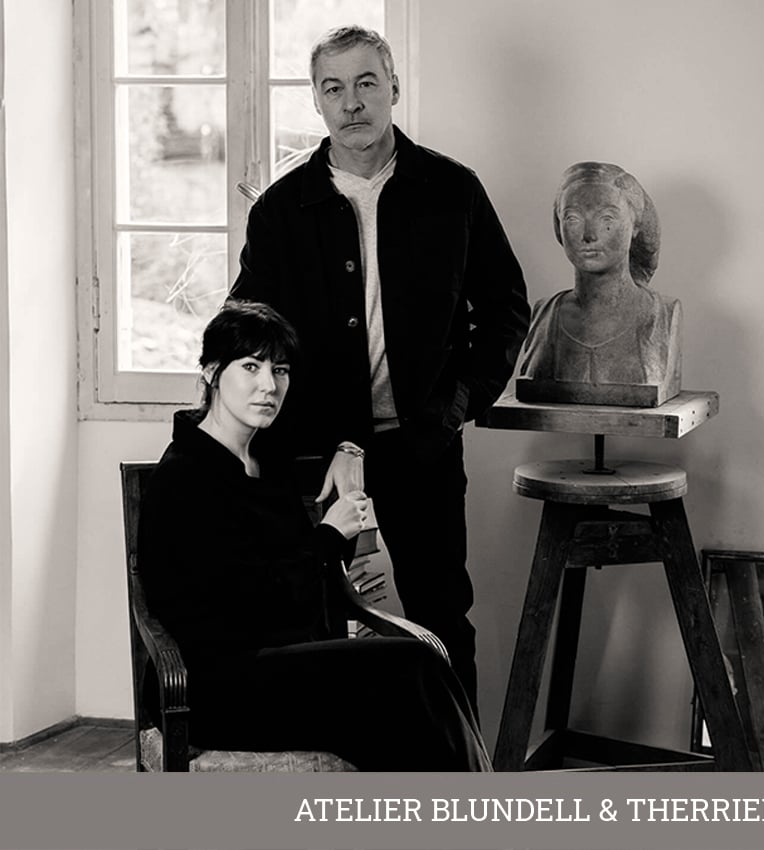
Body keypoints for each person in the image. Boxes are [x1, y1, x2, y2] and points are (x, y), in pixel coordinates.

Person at [229, 25, 530, 716]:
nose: (352, 102)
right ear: (316, 100)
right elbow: (251, 327)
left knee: (441, 617)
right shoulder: (281, 209)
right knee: (317, 620)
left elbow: (506, 310)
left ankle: (458, 769)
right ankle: (346, 764)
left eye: (366, 83)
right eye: (333, 88)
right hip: (316, 454)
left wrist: (457, 403)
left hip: (423, 444)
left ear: (393, 87)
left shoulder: (452, 190)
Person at [137, 300, 491, 771]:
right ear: (211, 373)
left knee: (422, 682)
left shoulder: (268, 461)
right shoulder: (184, 476)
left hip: (281, 663)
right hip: (214, 683)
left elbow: (302, 580)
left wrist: (346, 459)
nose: (269, 385)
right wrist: (327, 535)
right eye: (251, 367)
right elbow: (247, 603)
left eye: (280, 370)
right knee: (412, 671)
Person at [517, 161, 681, 406]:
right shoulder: (545, 315)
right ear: (559, 228)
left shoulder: (661, 315)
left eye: (607, 219)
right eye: (572, 218)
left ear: (635, 226)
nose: (589, 235)